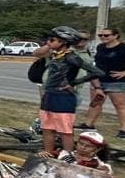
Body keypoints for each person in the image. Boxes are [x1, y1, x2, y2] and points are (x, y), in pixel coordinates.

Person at [34, 26, 105, 156]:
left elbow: (96, 72)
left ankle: (68, 155)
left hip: (64, 97)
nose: (48, 42)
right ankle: (48, 152)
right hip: (49, 94)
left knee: (65, 129)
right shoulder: (55, 55)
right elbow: (37, 53)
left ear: (63, 42)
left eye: (52, 39)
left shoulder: (71, 57)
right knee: (47, 127)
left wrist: (73, 82)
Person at [80, 26, 125, 139]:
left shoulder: (124, 48)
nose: (103, 37)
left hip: (117, 82)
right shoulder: (100, 47)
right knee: (96, 102)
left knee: (120, 105)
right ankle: (88, 124)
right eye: (100, 35)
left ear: (115, 36)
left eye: (106, 35)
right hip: (98, 80)